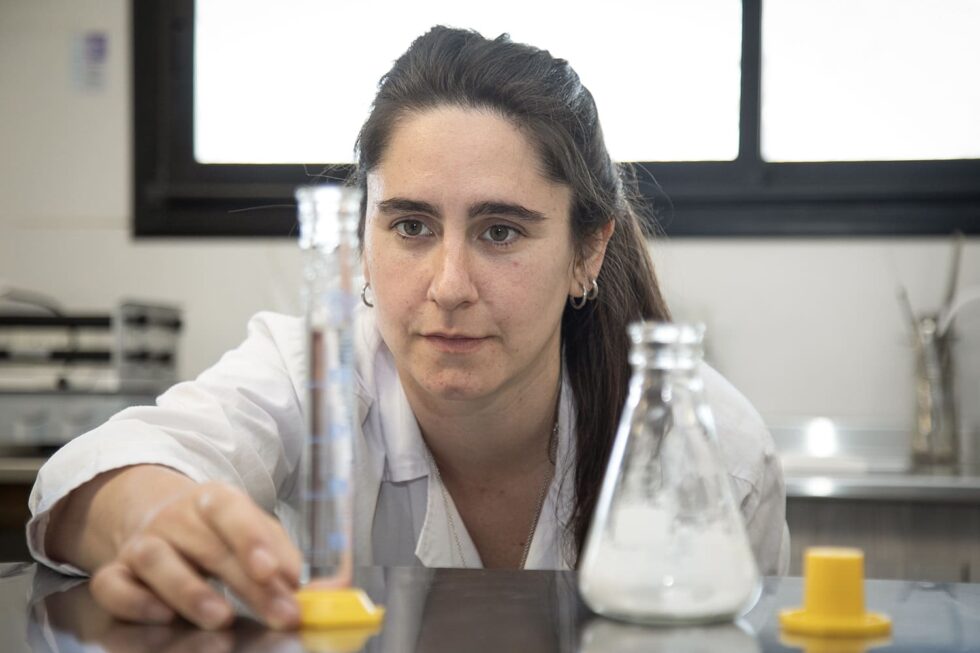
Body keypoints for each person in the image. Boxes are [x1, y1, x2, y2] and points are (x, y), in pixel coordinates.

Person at [28, 26, 789, 631]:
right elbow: (99, 469)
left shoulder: (713, 456)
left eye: (500, 232)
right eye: (412, 226)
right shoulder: (310, 372)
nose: (449, 286)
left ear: (587, 251)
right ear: (364, 238)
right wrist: (153, 515)